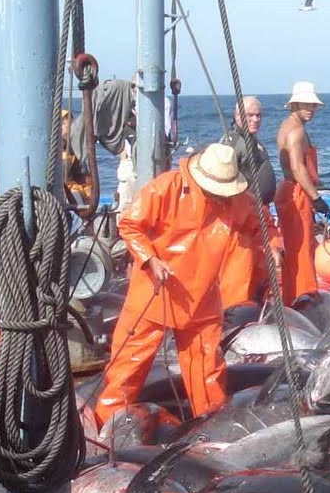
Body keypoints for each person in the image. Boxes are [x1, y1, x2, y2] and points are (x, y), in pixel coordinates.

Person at [93, 143, 261, 427]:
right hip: (153, 292)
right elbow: (130, 224)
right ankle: (105, 424)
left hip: (202, 297)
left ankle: (211, 426)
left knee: (207, 368)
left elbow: (259, 227)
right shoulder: (166, 187)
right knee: (128, 365)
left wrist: (275, 247)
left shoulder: (239, 201)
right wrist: (150, 259)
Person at [218, 98, 281, 309]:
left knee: (260, 272)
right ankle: (236, 312)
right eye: (250, 115)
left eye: (258, 115)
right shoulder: (233, 143)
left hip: (258, 217)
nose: (255, 119)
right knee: (239, 275)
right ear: (237, 116)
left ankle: (256, 306)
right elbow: (222, 182)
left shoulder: (254, 141)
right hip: (241, 221)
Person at [274, 81, 330, 303]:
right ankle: (303, 298)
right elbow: (298, 168)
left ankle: (292, 296)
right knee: (301, 250)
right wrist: (316, 198)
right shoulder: (296, 132)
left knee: (295, 248)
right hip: (296, 194)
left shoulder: (286, 125)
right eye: (306, 104)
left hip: (288, 191)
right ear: (294, 104)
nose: (311, 109)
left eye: (313, 105)